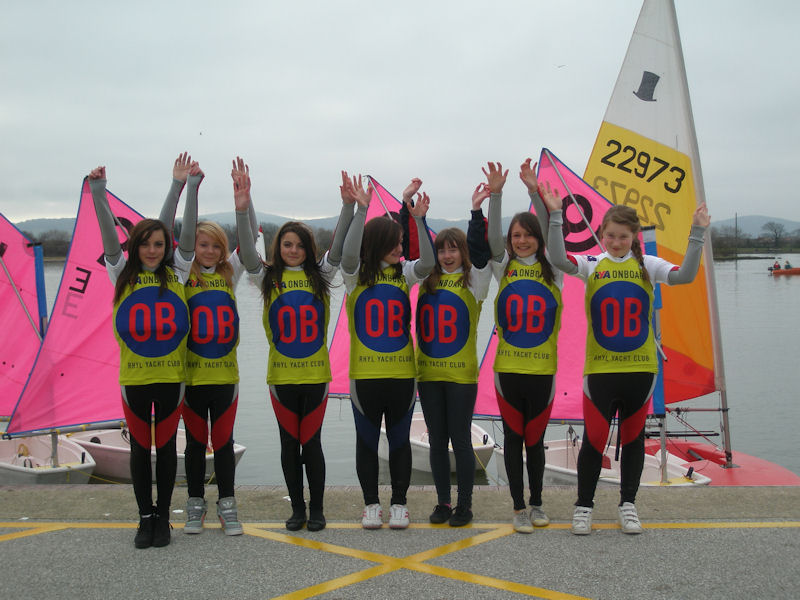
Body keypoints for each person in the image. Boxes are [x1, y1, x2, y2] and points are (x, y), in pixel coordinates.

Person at [542, 183, 710, 535]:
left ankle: (628, 505)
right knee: (594, 439)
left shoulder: (647, 263)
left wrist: (697, 234)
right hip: (601, 370)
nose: (615, 242)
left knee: (632, 440)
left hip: (641, 370)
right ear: (601, 234)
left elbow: (685, 276)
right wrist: (556, 216)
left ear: (635, 237)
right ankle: (583, 506)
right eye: (610, 235)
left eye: (622, 236)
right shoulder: (592, 264)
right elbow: (558, 259)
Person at [234, 160, 352, 532]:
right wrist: (243, 207)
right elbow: (248, 254)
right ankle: (297, 509)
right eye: (287, 244)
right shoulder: (266, 279)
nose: (294, 250)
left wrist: (349, 208)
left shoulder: (322, 276)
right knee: (289, 447)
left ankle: (317, 509)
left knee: (311, 445)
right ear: (278, 246)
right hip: (280, 378)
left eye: (300, 245)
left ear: (308, 248)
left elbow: (339, 246)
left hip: (316, 376)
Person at [88, 156, 198, 548]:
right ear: (134, 246)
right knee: (140, 449)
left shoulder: (178, 272)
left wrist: (187, 187)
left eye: (158, 244)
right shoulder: (121, 273)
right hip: (134, 378)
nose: (152, 250)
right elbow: (106, 235)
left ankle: (163, 519)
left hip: (171, 378)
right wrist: (99, 193)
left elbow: (180, 233)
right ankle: (144, 519)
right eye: (146, 244)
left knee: (166, 449)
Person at [339, 175, 435, 529]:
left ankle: (399, 502)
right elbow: (349, 253)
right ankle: (370, 505)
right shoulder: (355, 276)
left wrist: (420, 220)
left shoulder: (405, 274)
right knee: (366, 442)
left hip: (401, 377)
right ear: (378, 243)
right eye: (394, 243)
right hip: (364, 377)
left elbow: (427, 259)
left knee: (399, 442)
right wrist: (361, 210)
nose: (399, 248)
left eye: (400, 242)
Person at [167, 155, 256, 536]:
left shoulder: (230, 272)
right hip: (191, 377)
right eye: (201, 244)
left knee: (223, 443)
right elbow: (179, 233)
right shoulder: (180, 273)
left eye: (214, 246)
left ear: (222, 251)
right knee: (193, 446)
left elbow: (251, 240)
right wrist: (187, 186)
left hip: (225, 377)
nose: (207, 251)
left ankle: (228, 504)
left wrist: (245, 200)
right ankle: (194, 504)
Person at [484, 161, 564, 534]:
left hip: (543, 372)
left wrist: (536, 194)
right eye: (515, 236)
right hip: (508, 372)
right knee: (513, 440)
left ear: (537, 237)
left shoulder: (554, 268)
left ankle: (537, 504)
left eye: (527, 235)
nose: (521, 241)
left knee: (536, 443)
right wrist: (496, 196)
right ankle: (518, 507)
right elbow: (492, 241)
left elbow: (552, 232)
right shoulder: (504, 267)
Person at [406, 184, 492, 527]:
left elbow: (481, 252)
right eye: (442, 250)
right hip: (428, 376)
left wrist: (475, 213)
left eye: (453, 250)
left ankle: (465, 505)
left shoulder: (475, 282)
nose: (446, 255)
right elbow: (415, 252)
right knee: (437, 442)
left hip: (461, 377)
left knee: (460, 440)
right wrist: (418, 218)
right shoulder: (424, 279)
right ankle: (442, 502)